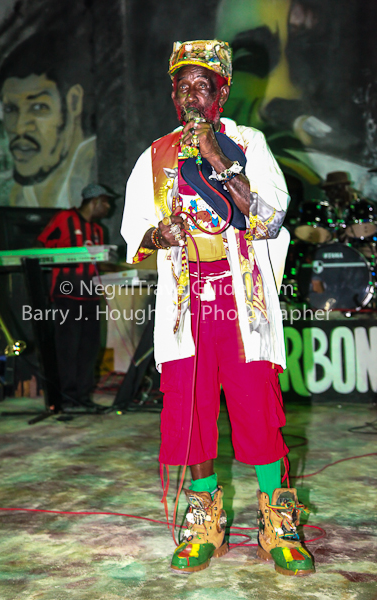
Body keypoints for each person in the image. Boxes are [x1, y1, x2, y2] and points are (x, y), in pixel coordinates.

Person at [122, 39, 315, 576]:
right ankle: (205, 519)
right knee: (190, 413)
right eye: (182, 86)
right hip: (185, 308)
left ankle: (278, 522)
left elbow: (271, 217)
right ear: (173, 95)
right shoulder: (155, 154)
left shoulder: (248, 143)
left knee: (258, 410)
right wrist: (158, 235)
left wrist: (216, 157)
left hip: (242, 304)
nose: (191, 96)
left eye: (202, 86)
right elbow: (134, 232)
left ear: (221, 94)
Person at [0, 31, 96, 209]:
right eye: (10, 109)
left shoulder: (100, 169)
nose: (19, 128)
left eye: (38, 108)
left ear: (73, 102)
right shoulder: (15, 195)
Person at [37, 183, 113, 411]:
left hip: (91, 297)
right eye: (106, 202)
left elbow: (97, 264)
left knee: (89, 348)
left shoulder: (98, 231)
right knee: (67, 348)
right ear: (95, 201)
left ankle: (83, 397)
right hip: (66, 295)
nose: (109, 207)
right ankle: (66, 398)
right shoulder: (65, 218)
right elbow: (40, 245)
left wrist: (119, 269)